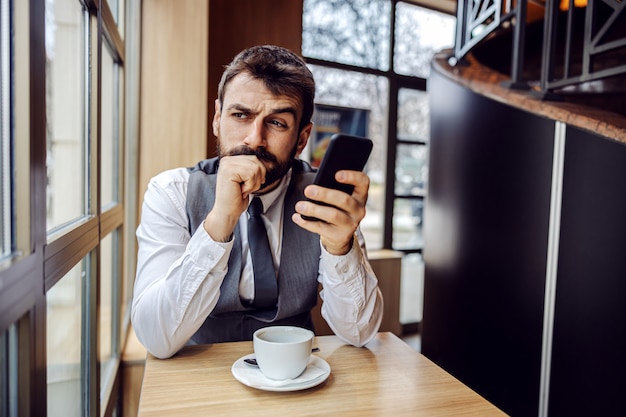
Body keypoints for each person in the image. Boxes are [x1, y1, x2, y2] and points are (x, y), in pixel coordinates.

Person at [131, 45, 383, 359]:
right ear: (217, 119)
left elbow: (359, 333)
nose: (254, 139)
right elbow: (156, 338)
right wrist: (218, 223)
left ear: (302, 139)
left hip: (297, 375)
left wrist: (341, 247)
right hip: (199, 376)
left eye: (277, 123)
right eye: (240, 115)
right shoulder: (172, 192)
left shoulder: (326, 198)